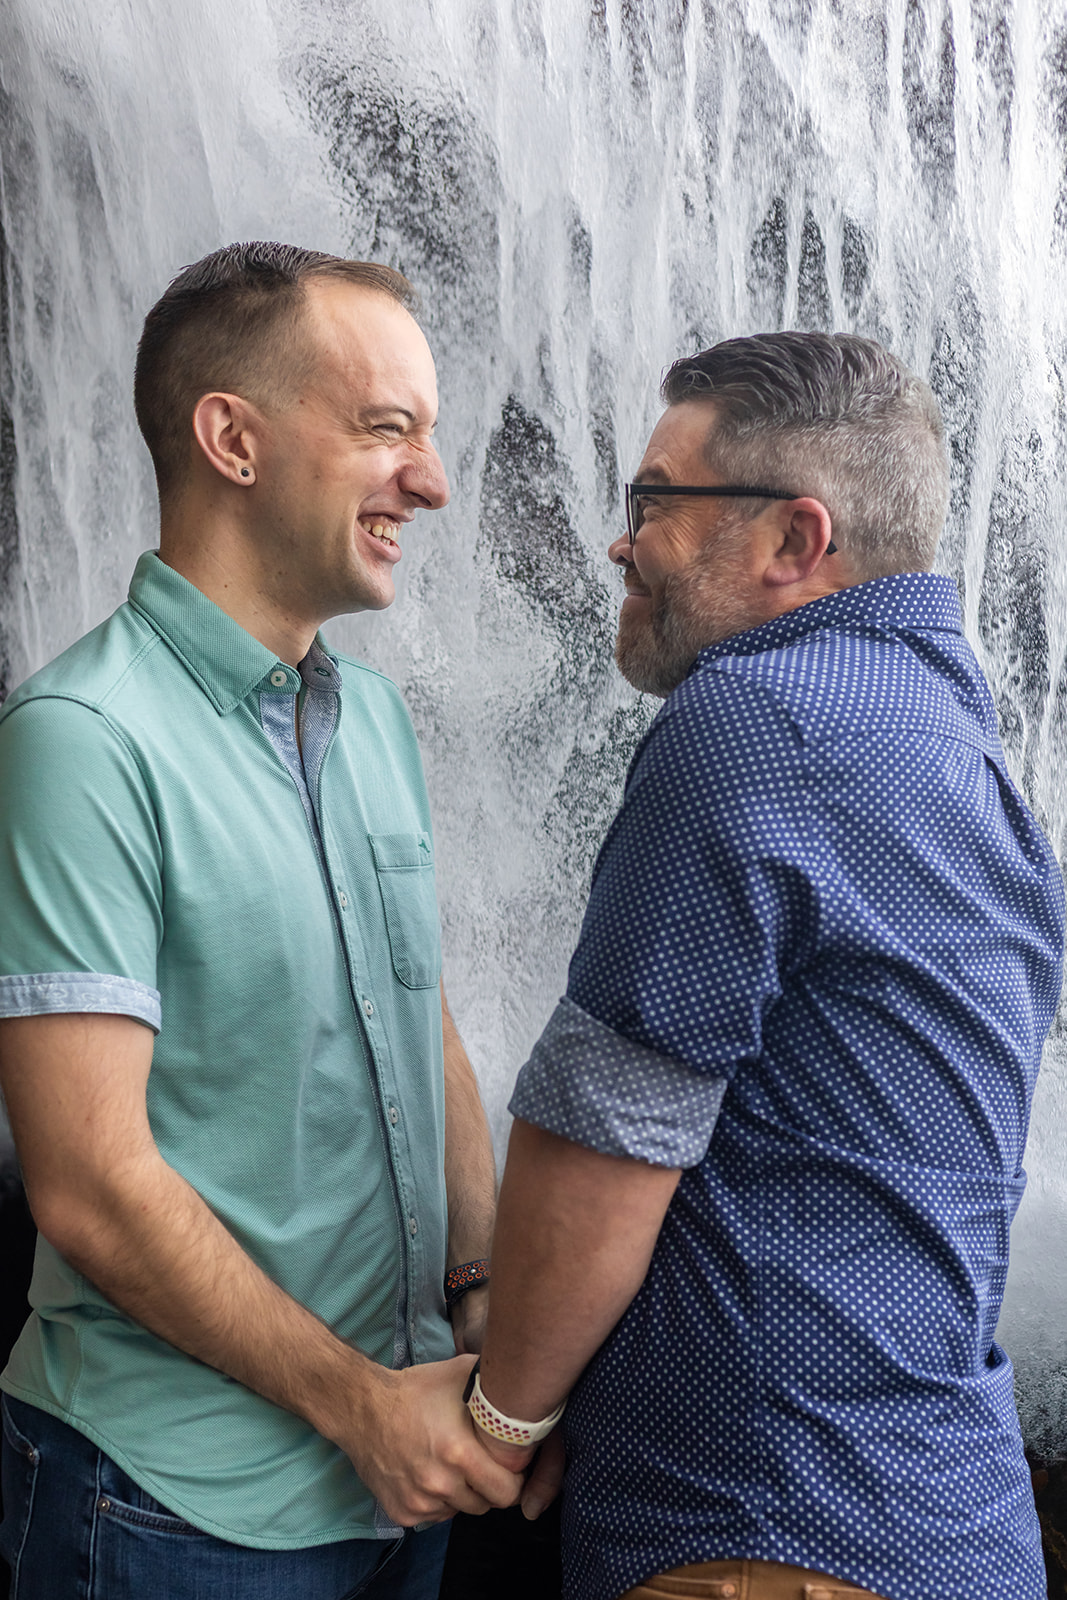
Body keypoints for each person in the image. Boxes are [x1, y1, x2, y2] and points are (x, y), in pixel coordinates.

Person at [467, 333, 1066, 1600]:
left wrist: (497, 1422)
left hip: (760, 1535)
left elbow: (606, 1143)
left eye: (653, 504)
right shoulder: (957, 748)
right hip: (941, 1521)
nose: (620, 542)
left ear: (796, 539)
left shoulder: (756, 722)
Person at [0, 242, 522, 1600]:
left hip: (400, 1478)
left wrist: (476, 1293)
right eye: (385, 430)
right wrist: (359, 1405)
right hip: (176, 1507)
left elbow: (428, 1025)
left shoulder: (374, 721)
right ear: (231, 438)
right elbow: (89, 1185)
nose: (433, 478)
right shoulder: (80, 739)